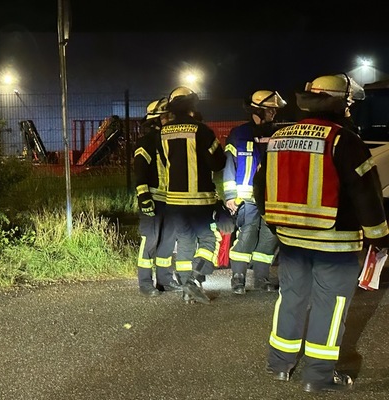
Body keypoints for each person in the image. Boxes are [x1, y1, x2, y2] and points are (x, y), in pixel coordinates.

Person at [253, 73, 389, 393]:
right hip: (335, 242)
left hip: (290, 239)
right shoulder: (345, 140)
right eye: (349, 103)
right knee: (330, 305)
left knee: (292, 298)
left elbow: (261, 188)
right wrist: (379, 237)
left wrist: (275, 224)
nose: (350, 109)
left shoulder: (280, 137)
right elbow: (365, 193)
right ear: (339, 103)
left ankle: (280, 365)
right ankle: (318, 376)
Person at [153, 86, 226, 304]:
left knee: (185, 241)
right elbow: (218, 162)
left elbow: (166, 162)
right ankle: (194, 279)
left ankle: (187, 291)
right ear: (192, 105)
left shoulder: (162, 133)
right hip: (200, 198)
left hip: (174, 199)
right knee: (208, 240)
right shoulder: (202, 130)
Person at [222, 90, 286, 294]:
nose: (274, 113)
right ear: (258, 110)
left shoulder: (279, 134)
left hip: (271, 198)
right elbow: (229, 165)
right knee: (247, 236)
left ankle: (262, 277)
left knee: (269, 238)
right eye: (270, 110)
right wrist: (230, 196)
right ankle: (238, 277)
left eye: (275, 110)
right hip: (246, 199)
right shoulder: (239, 134)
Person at [133, 97, 181, 296]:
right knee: (150, 240)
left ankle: (165, 280)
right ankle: (145, 283)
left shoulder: (173, 141)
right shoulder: (146, 142)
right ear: (155, 119)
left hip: (171, 200)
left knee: (168, 242)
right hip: (152, 200)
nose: (170, 119)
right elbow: (140, 171)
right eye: (166, 116)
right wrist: (144, 197)